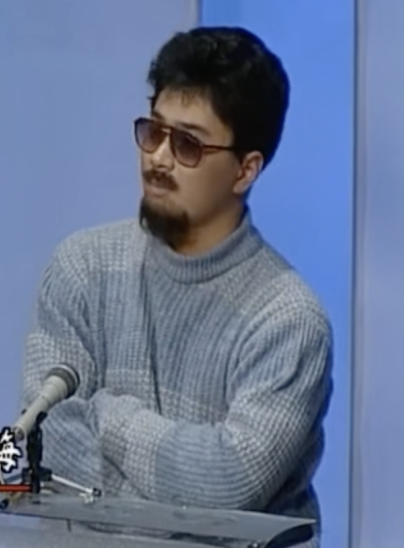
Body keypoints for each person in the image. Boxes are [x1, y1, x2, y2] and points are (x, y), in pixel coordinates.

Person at [19, 27, 333, 547]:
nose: (158, 158)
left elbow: (228, 485)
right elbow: (47, 445)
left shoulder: (286, 320)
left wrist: (108, 416)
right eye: (154, 131)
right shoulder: (83, 268)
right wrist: (182, 508)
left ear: (245, 170)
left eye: (187, 143)